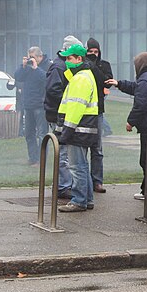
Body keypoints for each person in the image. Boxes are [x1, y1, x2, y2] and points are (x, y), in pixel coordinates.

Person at [106, 52, 147, 203]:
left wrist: (131, 121)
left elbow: (141, 104)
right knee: (146, 157)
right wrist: (119, 84)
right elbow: (136, 88)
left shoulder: (146, 79)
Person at [56, 43, 99, 213]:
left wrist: (66, 131)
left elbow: (75, 108)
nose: (66, 61)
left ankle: (79, 200)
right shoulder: (82, 75)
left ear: (79, 59)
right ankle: (86, 199)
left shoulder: (81, 78)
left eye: (69, 58)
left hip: (78, 129)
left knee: (76, 167)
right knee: (81, 165)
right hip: (83, 129)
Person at [45, 36, 80, 199]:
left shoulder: (61, 65)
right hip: (58, 115)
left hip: (59, 113)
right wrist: (68, 103)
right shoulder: (59, 67)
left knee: (64, 152)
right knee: (63, 152)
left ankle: (63, 184)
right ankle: (63, 186)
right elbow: (53, 90)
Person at [14, 47, 51, 165]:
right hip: (28, 104)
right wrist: (23, 66)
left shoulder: (48, 65)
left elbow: (47, 80)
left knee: (41, 134)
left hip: (41, 105)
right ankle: (33, 158)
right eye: (29, 57)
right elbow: (18, 77)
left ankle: (42, 159)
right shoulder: (27, 68)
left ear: (40, 57)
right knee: (29, 133)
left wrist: (36, 69)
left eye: (33, 58)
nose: (31, 60)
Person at [85, 38, 113, 194]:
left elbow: (106, 82)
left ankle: (97, 181)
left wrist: (94, 66)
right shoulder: (83, 64)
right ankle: (85, 181)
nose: (93, 54)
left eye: (96, 52)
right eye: (91, 52)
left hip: (97, 110)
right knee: (82, 148)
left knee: (97, 148)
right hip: (83, 110)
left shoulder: (104, 65)